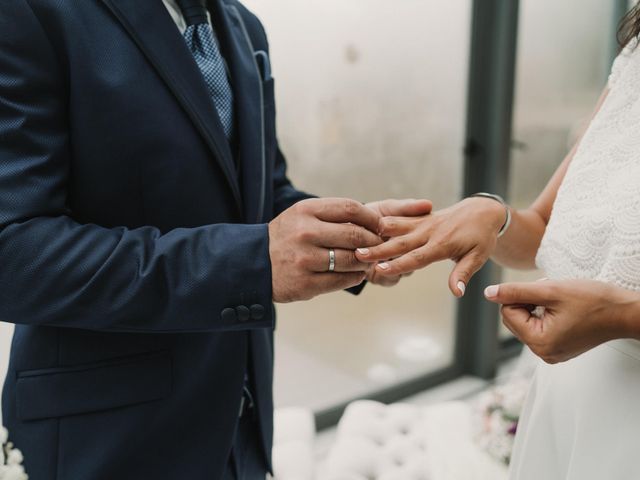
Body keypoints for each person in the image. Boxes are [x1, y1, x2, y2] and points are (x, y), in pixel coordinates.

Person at [0, 0, 431, 478]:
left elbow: (258, 195)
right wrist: (251, 264)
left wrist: (357, 240)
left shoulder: (244, 26)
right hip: (106, 440)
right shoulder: (29, 10)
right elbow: (14, 253)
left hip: (240, 430)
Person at [357, 6, 640, 479]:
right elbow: (545, 228)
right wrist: (495, 216)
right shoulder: (633, 59)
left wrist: (624, 317)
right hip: (559, 398)